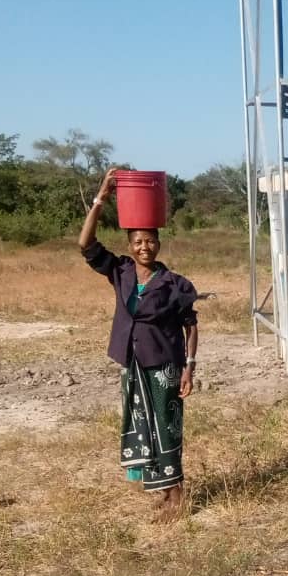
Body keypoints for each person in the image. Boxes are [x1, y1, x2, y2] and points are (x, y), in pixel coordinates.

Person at [78, 166, 199, 523]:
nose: (145, 247)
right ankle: (164, 491)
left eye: (150, 241)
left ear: (158, 243)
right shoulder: (121, 271)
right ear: (130, 246)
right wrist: (102, 196)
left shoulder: (174, 283)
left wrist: (189, 368)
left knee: (167, 428)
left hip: (164, 367)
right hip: (133, 363)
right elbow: (85, 244)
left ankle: (178, 497)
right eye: (138, 242)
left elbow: (190, 326)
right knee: (145, 427)